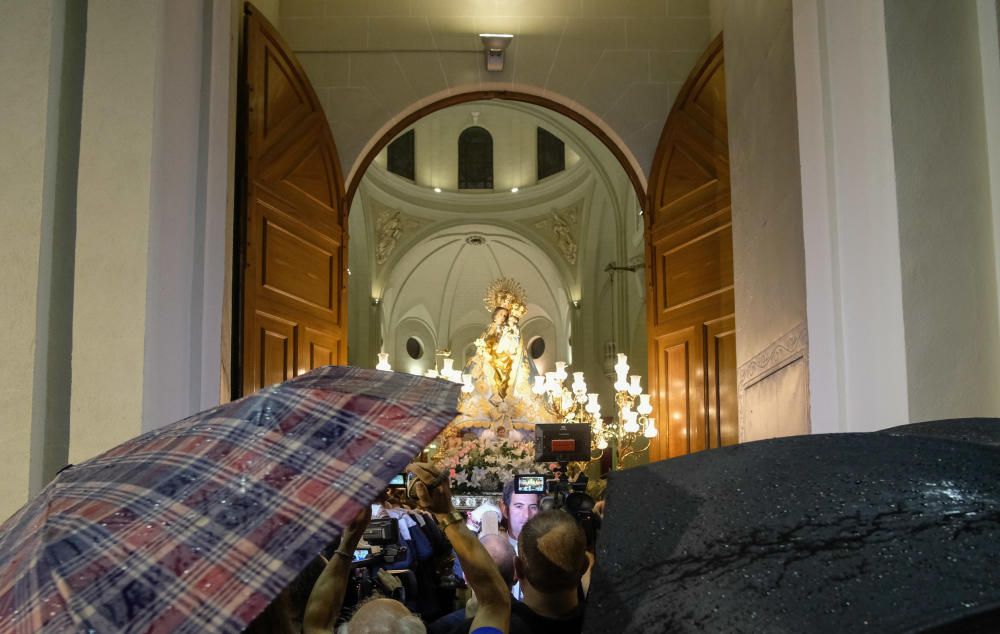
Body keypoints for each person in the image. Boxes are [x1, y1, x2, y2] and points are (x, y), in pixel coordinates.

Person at [499, 478, 540, 600]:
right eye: (519, 506)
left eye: (533, 507)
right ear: (504, 509)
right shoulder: (495, 549)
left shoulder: (550, 549)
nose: (527, 515)